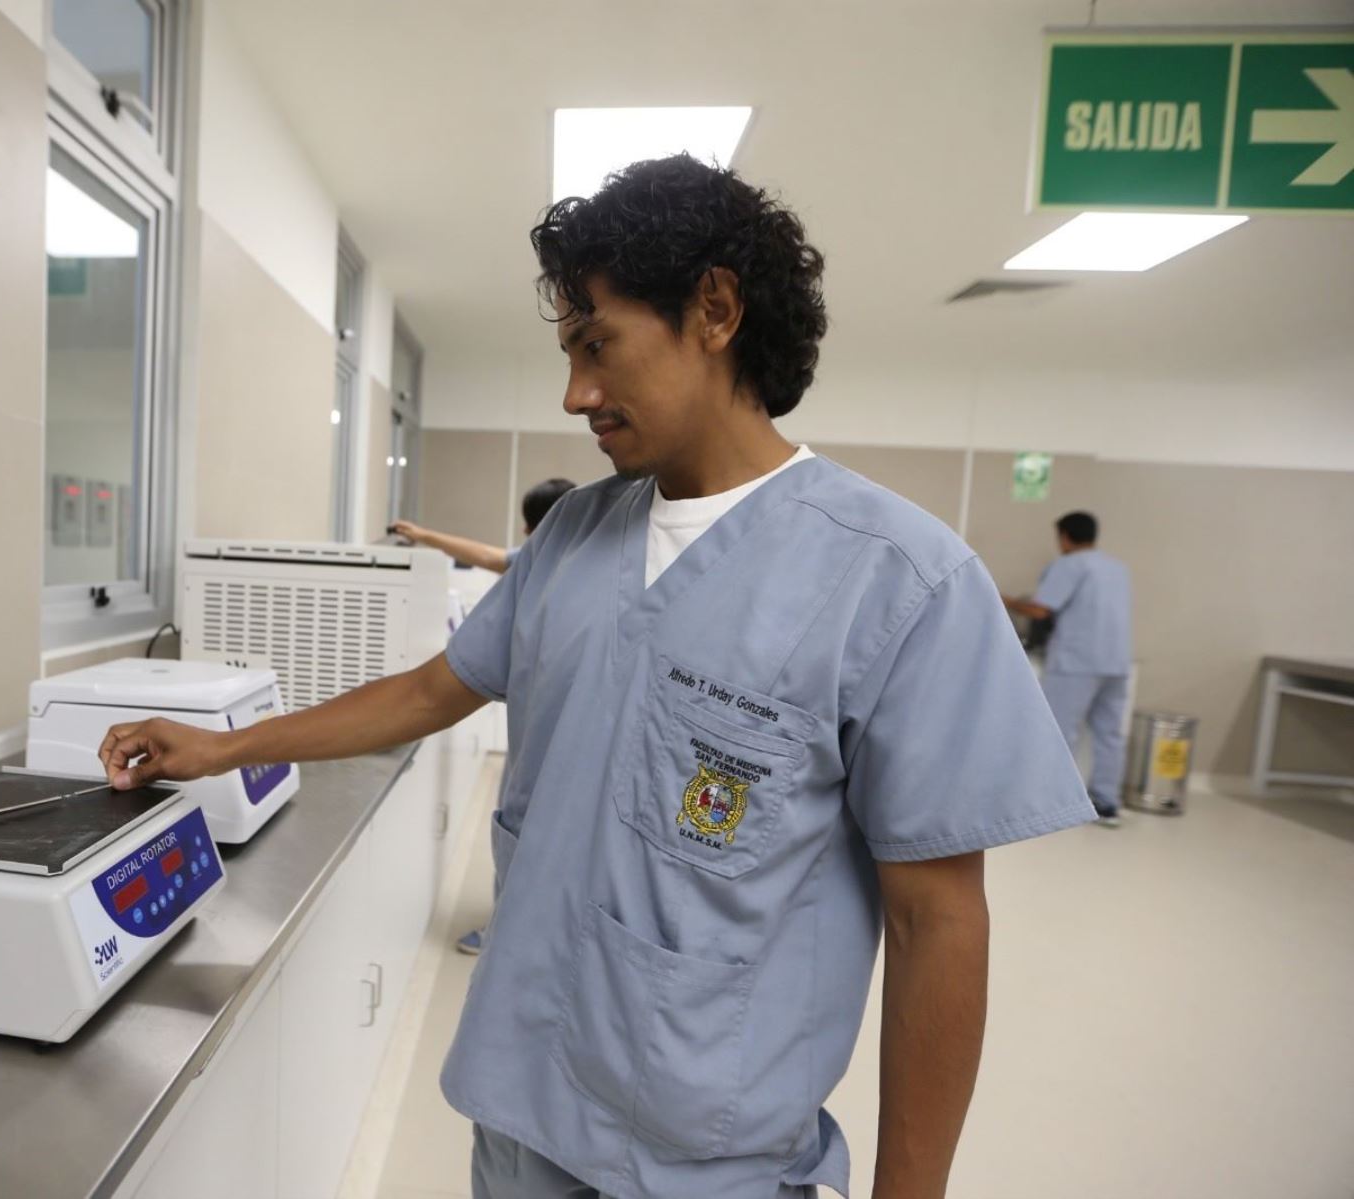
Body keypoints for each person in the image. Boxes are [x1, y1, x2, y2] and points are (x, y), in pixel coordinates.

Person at [100, 155, 1094, 1199]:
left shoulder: (900, 581)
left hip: (710, 1155)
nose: (576, 393)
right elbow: (435, 689)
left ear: (714, 310)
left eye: (596, 345)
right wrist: (224, 744)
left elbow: (937, 920)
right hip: (523, 1106)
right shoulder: (575, 535)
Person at [392, 478, 578, 954]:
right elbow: (492, 556)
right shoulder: (571, 561)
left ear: (533, 526)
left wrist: (424, 535)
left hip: (541, 741)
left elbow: (494, 558)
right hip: (558, 741)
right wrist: (426, 535)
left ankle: (507, 940)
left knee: (525, 838)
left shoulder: (546, 565)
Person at [1004, 512, 1134, 827]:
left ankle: (1050, 804)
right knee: (1110, 734)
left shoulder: (1070, 564)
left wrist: (999, 597)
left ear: (1064, 536)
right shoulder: (1116, 568)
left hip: (1078, 661)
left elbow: (1040, 609)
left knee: (1059, 731)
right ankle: (1106, 802)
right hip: (1116, 662)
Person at [390, 477, 577, 575]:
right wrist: (422, 535)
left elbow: (490, 558)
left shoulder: (555, 566)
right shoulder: (539, 559)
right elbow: (488, 556)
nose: (525, 531)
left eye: (530, 524)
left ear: (549, 525)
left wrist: (423, 535)